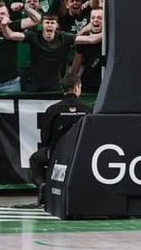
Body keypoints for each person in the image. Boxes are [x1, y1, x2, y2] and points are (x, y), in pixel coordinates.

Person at [28, 73, 92, 204]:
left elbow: (45, 138)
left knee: (34, 159)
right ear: (76, 88)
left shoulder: (52, 110)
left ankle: (43, 185)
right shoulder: (88, 110)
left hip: (57, 154)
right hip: (82, 155)